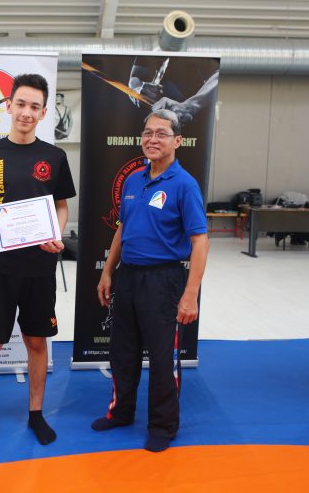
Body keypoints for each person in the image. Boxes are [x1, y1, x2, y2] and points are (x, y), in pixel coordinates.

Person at [0, 73, 76, 450]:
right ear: (9, 106)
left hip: (39, 269)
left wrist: (57, 232)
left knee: (36, 342)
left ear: (43, 113)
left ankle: (36, 414)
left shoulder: (55, 157)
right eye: (21, 104)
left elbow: (61, 205)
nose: (26, 112)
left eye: (34, 107)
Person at [93, 109, 209, 452]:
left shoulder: (184, 185)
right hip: (128, 277)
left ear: (178, 141)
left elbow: (200, 241)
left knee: (161, 358)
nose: (152, 139)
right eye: (148, 133)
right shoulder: (133, 180)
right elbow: (122, 229)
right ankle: (121, 412)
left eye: (161, 133)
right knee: (123, 352)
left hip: (164, 280)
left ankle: (162, 425)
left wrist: (190, 294)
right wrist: (108, 271)